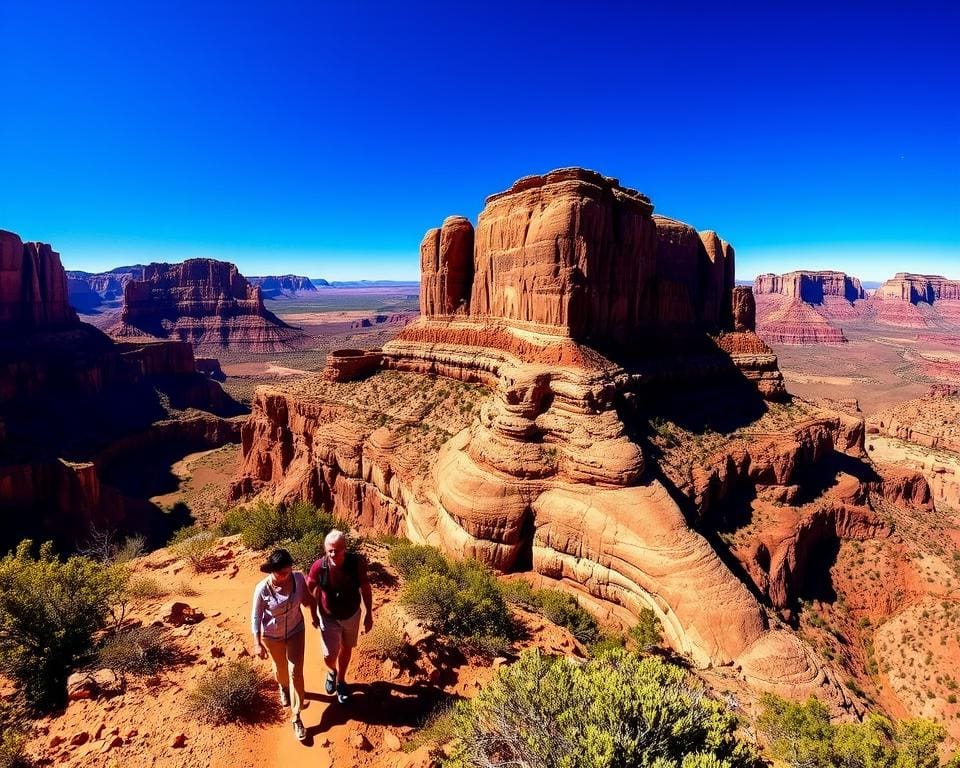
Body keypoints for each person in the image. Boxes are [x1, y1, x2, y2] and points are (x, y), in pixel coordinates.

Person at [250, 548, 315, 742]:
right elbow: (256, 616)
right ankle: (283, 688)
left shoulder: (298, 578)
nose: (285, 576)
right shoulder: (262, 589)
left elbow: (306, 600)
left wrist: (315, 616)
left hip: (296, 630)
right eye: (281, 573)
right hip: (272, 636)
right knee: (281, 670)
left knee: (296, 671)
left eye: (288, 571)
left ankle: (296, 717)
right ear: (272, 570)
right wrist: (257, 642)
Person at [306, 530, 374, 704]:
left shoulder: (355, 563)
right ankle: (332, 671)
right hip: (328, 616)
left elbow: (365, 587)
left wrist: (369, 614)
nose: (333, 553)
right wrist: (313, 613)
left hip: (352, 614)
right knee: (329, 655)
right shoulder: (319, 567)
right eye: (330, 550)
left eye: (337, 550)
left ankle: (341, 681)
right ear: (325, 550)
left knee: (346, 647)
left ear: (345, 548)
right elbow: (311, 590)